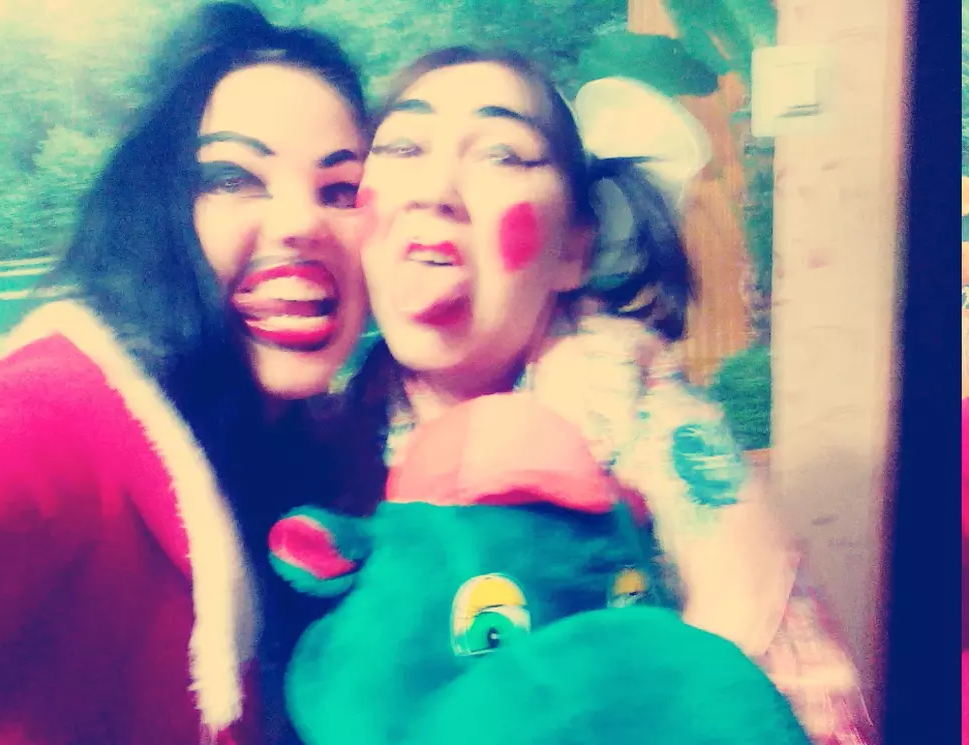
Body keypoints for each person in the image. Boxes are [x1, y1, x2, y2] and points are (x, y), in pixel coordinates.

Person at [344, 46, 874, 743]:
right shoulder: (338, 428)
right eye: (403, 146)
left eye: (501, 154)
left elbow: (769, 649)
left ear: (573, 250)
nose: (434, 189)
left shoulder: (630, 401)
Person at [0, 3, 367, 743]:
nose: (302, 223)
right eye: (232, 177)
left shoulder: (328, 449)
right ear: (158, 212)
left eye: (342, 190)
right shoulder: (51, 418)